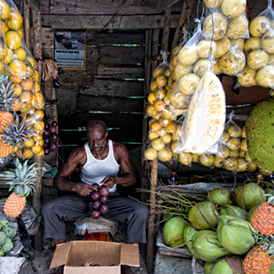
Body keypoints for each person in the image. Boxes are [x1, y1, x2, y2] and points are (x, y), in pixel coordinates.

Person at [42, 119, 149, 249]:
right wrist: (74, 186)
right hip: (84, 201)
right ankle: (61, 251)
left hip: (110, 200)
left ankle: (131, 253)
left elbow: (132, 178)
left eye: (99, 140)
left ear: (106, 135)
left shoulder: (118, 150)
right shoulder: (80, 154)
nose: (96, 144)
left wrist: (116, 180)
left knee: (141, 211)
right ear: (87, 137)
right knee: (50, 209)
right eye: (91, 140)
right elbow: (57, 180)